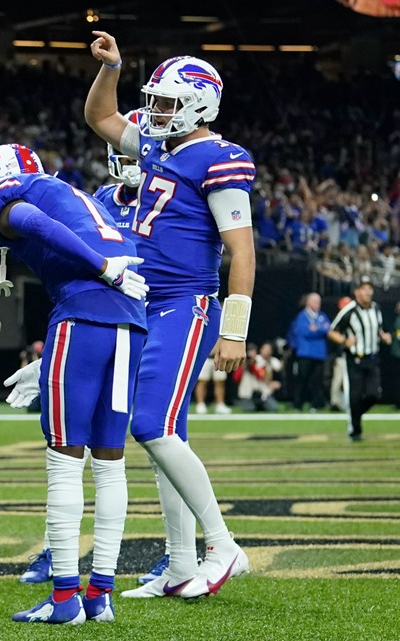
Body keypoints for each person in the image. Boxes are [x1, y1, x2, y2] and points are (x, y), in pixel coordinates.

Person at [84, 34, 254, 599]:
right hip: (145, 302)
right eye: (153, 100)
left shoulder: (219, 157)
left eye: (166, 102)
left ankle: (221, 542)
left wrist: (235, 329)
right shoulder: (159, 146)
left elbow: (242, 250)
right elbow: (100, 114)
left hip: (187, 303)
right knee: (166, 435)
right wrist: (111, 68)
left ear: (200, 104)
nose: (154, 112)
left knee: (150, 424)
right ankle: (180, 564)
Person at [0, 143, 148, 625]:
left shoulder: (16, 191)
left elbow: (30, 221)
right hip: (130, 320)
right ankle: (101, 594)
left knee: (64, 460)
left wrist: (99, 267)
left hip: (86, 311)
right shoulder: (76, 195)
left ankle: (65, 598)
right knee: (111, 460)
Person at [328, 276, 392, 441]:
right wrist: (344, 341)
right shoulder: (349, 310)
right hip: (355, 359)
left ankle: (355, 415)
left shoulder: (376, 308)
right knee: (355, 396)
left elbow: (378, 328)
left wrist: (383, 336)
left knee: (374, 394)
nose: (368, 292)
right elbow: (332, 331)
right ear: (357, 292)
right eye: (364, 288)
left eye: (370, 288)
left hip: (372, 358)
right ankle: (355, 430)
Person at [92, 113, 143, 235]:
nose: (130, 158)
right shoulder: (101, 196)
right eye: (124, 148)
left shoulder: (167, 201)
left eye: (137, 149)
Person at [287, 292, 332, 411]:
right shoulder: (301, 316)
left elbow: (328, 329)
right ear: (308, 302)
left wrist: (316, 330)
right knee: (302, 379)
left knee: (316, 380)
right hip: (305, 353)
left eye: (319, 302)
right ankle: (298, 404)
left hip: (319, 354)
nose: (318, 304)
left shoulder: (322, 316)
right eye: (315, 301)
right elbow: (303, 332)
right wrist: (319, 330)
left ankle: (316, 404)